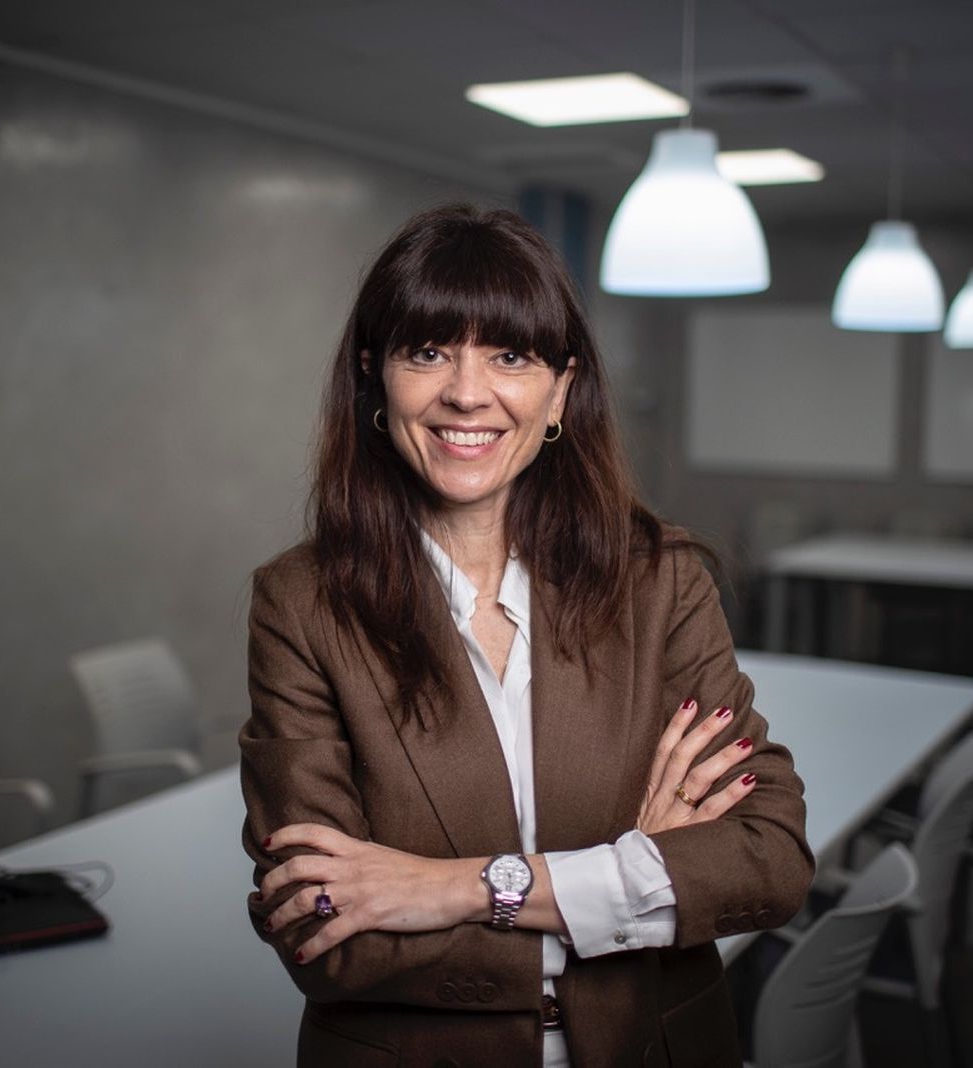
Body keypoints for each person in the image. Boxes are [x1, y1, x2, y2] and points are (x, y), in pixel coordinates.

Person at [240, 204, 812, 1068]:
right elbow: (323, 928)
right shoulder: (301, 603)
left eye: (510, 355)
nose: (467, 392)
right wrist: (635, 876)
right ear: (375, 378)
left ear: (561, 389)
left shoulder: (661, 580)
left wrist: (456, 887)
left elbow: (767, 859)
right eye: (426, 351)